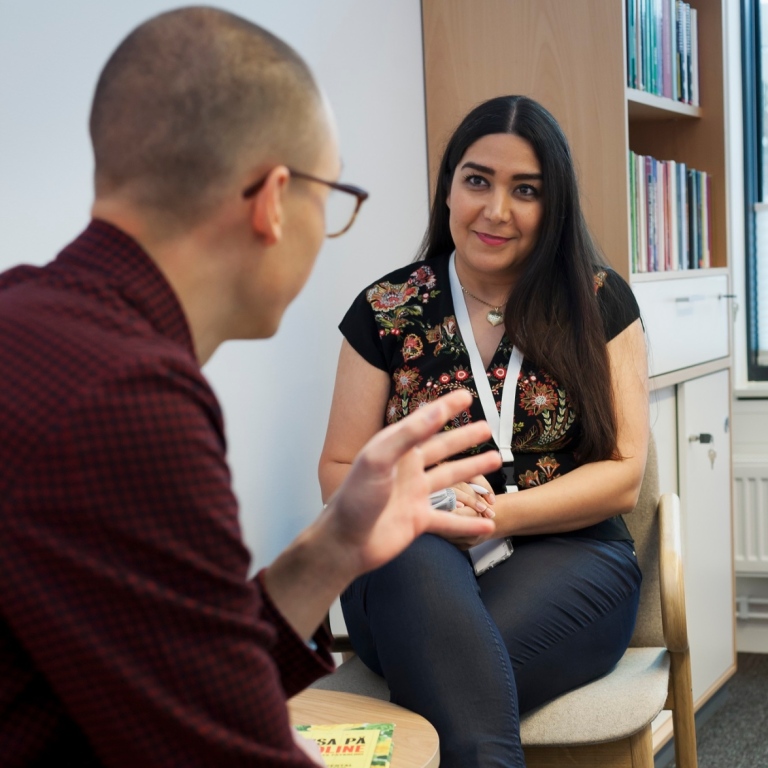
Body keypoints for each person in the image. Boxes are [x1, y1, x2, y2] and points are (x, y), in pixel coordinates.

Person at [0, 8, 502, 767]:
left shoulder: (29, 318)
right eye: (331, 199)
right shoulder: (127, 399)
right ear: (273, 199)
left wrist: (333, 546)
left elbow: (191, 675)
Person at [319, 95, 650, 767]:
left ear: (553, 205)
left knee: (449, 678)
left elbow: (623, 473)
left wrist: (497, 512)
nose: (496, 210)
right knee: (410, 554)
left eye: (526, 190)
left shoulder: (598, 300)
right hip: (413, 558)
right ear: (448, 190)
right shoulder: (386, 309)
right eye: (478, 181)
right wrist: (427, 507)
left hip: (570, 554)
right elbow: (338, 469)